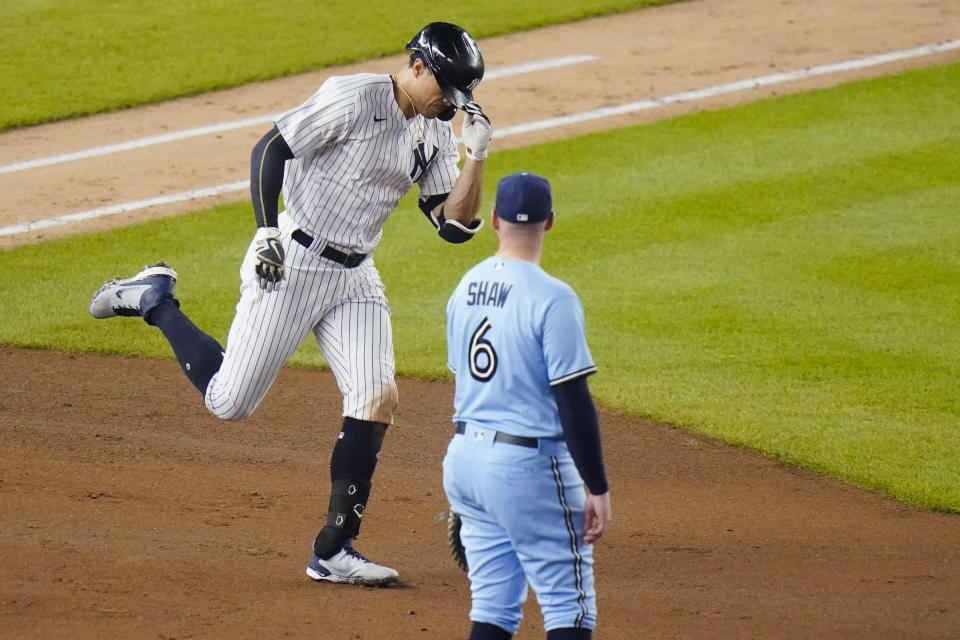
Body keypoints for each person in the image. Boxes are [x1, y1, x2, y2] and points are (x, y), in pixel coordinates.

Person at [88, 22, 493, 587]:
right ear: (419, 67)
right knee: (229, 402)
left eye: (457, 97)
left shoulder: (429, 133)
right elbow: (270, 148)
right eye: (444, 91)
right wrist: (265, 233)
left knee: (376, 395)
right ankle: (156, 299)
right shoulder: (353, 98)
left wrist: (474, 158)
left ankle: (333, 548)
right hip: (293, 260)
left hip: (355, 278)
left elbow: (450, 226)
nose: (449, 106)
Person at [442, 171, 612, 639]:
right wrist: (596, 486)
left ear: (494, 220)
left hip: (464, 463)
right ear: (550, 222)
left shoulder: (466, 286)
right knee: (569, 609)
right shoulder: (553, 298)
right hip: (525, 469)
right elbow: (573, 400)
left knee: (493, 608)